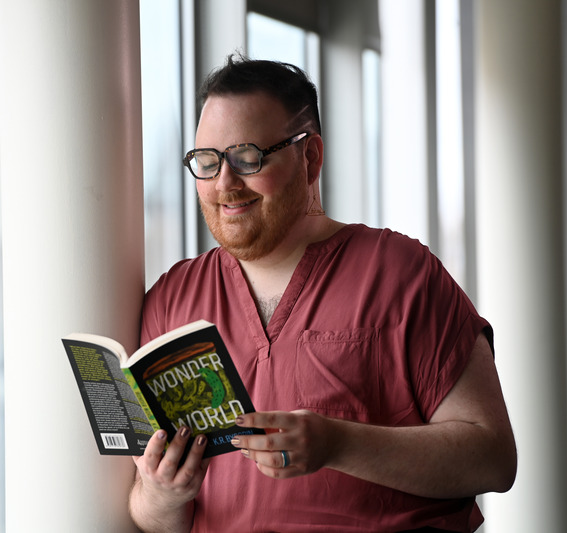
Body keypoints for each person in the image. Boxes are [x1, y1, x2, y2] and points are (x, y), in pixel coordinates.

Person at [128, 55, 516, 533]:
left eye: (248, 157)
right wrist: (162, 495)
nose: (224, 184)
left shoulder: (399, 272)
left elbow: (493, 458)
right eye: (207, 162)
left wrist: (337, 443)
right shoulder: (171, 300)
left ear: (310, 157)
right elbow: (152, 517)